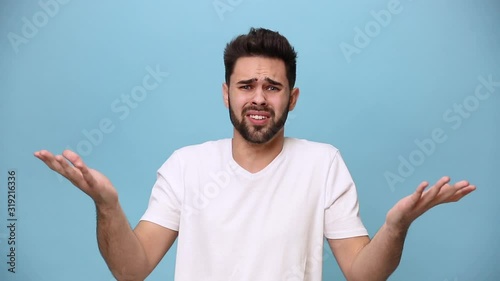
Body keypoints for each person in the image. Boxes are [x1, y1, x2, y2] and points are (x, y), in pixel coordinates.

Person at [34, 27, 476, 281]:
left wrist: (397, 226)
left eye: (272, 87)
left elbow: (364, 274)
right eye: (246, 86)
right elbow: (131, 271)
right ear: (226, 94)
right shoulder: (185, 166)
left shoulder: (323, 164)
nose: (259, 98)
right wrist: (107, 207)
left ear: (293, 97)